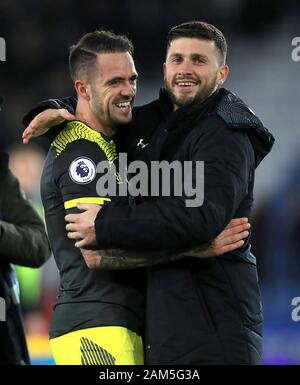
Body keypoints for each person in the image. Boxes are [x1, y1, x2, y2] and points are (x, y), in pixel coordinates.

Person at [22, 22, 267, 364]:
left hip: (205, 329)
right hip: (109, 326)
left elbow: (203, 218)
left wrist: (107, 223)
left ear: (222, 72)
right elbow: (95, 251)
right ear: (165, 68)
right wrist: (51, 109)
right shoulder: (114, 139)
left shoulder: (224, 132)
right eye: (177, 59)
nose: (185, 69)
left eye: (199, 60)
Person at [0, 145, 50, 364]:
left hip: (34, 304)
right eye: (23, 171)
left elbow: (40, 249)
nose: (27, 178)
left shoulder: (42, 211)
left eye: (32, 172)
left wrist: (33, 308)